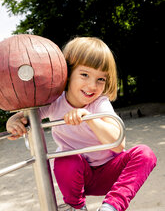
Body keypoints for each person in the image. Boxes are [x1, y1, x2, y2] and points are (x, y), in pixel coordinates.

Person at [6, 37, 157, 211]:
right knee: (64, 158)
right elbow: (25, 117)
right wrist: (14, 122)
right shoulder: (55, 102)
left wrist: (91, 118)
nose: (92, 85)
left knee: (145, 154)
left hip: (109, 172)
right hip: (77, 176)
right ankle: (77, 207)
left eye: (101, 79)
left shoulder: (99, 103)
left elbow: (118, 144)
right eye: (85, 75)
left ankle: (112, 206)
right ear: (68, 73)